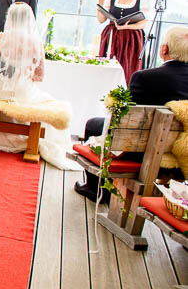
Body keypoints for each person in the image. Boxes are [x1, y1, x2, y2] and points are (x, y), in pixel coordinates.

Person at [75, 26, 188, 202]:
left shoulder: (145, 77)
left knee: (92, 124)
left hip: (142, 150)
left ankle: (96, 190)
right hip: (181, 154)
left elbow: (123, 121)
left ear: (164, 49)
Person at [0, 4, 77, 170]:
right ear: (29, 20)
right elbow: (39, 75)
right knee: (47, 100)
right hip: (22, 91)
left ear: (9, 18)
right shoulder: (35, 43)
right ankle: (29, 138)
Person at [97, 0, 150, 84]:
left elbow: (143, 23)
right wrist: (100, 3)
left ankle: (125, 94)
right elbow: (101, 20)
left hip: (132, 38)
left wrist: (127, 27)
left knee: (128, 67)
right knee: (108, 66)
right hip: (111, 36)